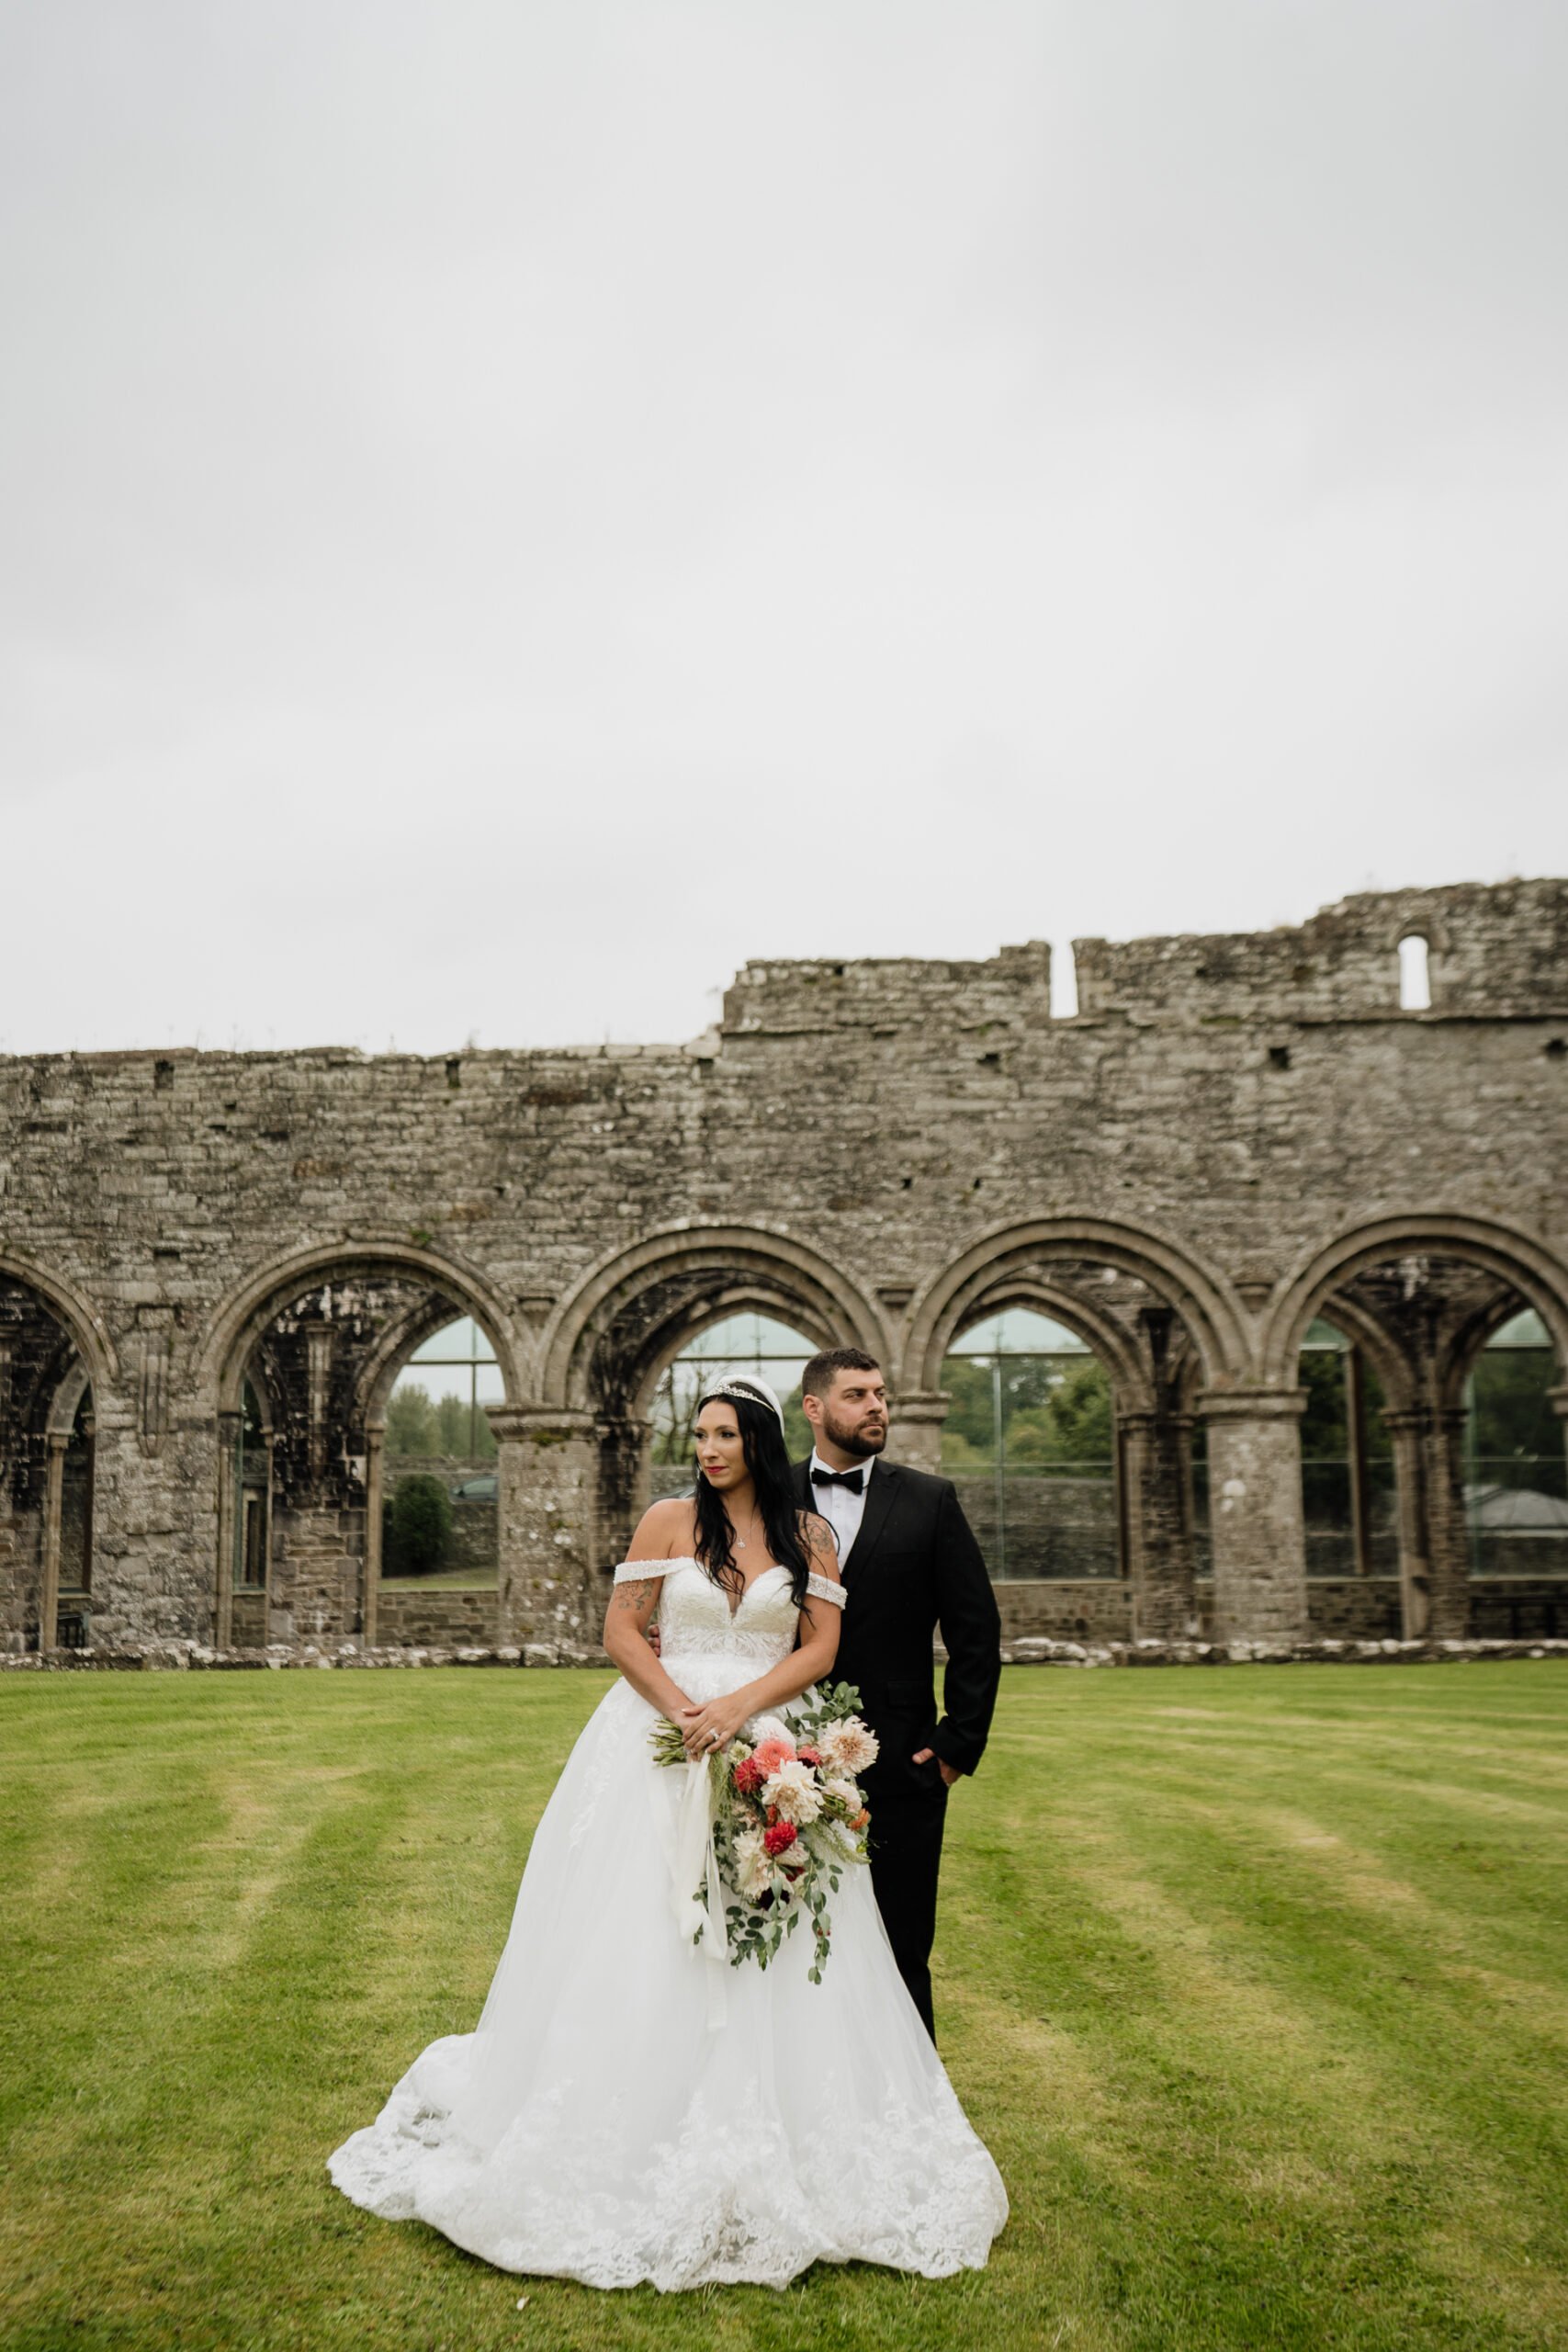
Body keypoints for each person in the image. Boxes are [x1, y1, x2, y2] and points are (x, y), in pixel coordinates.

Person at [329, 1374, 1007, 2292]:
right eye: (700, 1434)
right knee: (640, 1925)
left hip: (767, 1731)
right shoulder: (663, 1521)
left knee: (775, 1921)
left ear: (759, 1442)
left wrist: (738, 1709)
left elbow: (818, 1648)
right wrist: (686, 1710)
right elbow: (623, 1629)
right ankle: (623, 2120)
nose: (709, 1448)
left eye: (725, 1433)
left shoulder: (808, 1535)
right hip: (656, 1739)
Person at [792, 1349, 1002, 2040]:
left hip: (904, 1761)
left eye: (880, 1394)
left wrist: (955, 1744)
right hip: (784, 1760)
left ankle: (914, 2114)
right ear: (814, 1409)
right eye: (857, 1395)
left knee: (901, 1944)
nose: (877, 1406)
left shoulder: (929, 1500)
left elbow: (974, 1627)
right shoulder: (766, 1496)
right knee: (790, 1943)